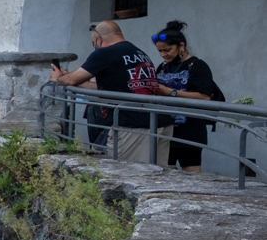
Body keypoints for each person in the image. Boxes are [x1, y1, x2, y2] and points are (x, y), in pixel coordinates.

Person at [51, 20, 161, 158]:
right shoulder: (138, 52)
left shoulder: (105, 53)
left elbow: (71, 79)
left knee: (124, 173)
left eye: (93, 44)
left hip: (132, 124)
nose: (95, 47)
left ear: (98, 38)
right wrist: (68, 78)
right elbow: (101, 86)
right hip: (158, 120)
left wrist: (58, 78)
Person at [152, 20, 222, 173]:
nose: (163, 54)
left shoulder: (198, 66)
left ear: (181, 46)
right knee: (162, 173)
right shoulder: (163, 66)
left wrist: (171, 92)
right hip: (165, 131)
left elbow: (204, 98)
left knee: (191, 174)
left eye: (167, 50)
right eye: (160, 51)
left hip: (189, 131)